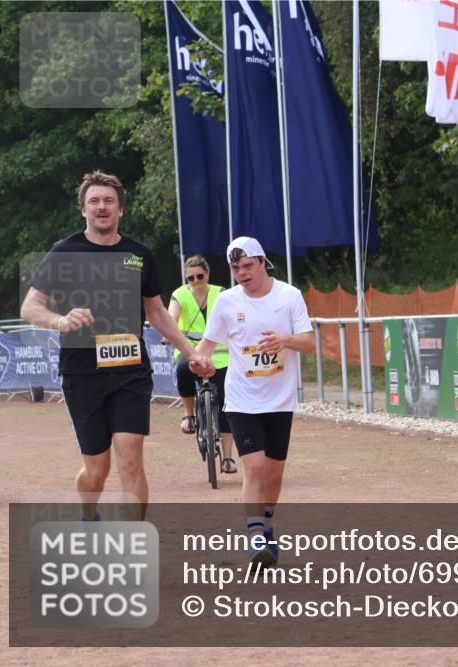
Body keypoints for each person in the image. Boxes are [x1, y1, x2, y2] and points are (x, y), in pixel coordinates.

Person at [20, 170, 212, 521]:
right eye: (94, 201)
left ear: (120, 209)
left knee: (130, 457)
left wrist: (191, 352)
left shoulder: (139, 254)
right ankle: (88, 512)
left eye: (109, 201)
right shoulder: (64, 252)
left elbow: (157, 312)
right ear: (83, 209)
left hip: (130, 371)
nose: (102, 206)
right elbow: (30, 306)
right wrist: (60, 321)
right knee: (97, 470)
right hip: (81, 373)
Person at [190, 237, 314, 566]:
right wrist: (197, 361)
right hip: (242, 400)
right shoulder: (227, 302)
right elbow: (207, 344)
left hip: (280, 401)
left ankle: (267, 524)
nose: (242, 273)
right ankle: (256, 537)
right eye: (235, 268)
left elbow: (309, 342)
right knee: (255, 467)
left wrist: (285, 340)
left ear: (262, 262)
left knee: (274, 474)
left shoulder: (289, 296)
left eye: (247, 266)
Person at [168, 255, 237, 474]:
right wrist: (169, 333)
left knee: (226, 403)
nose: (196, 281)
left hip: (221, 355)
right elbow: (171, 316)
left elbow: (235, 317)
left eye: (200, 276)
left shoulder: (221, 293)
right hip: (190, 352)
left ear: (207, 274)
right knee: (182, 369)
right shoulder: (179, 295)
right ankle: (189, 414)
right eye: (191, 278)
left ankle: (228, 457)